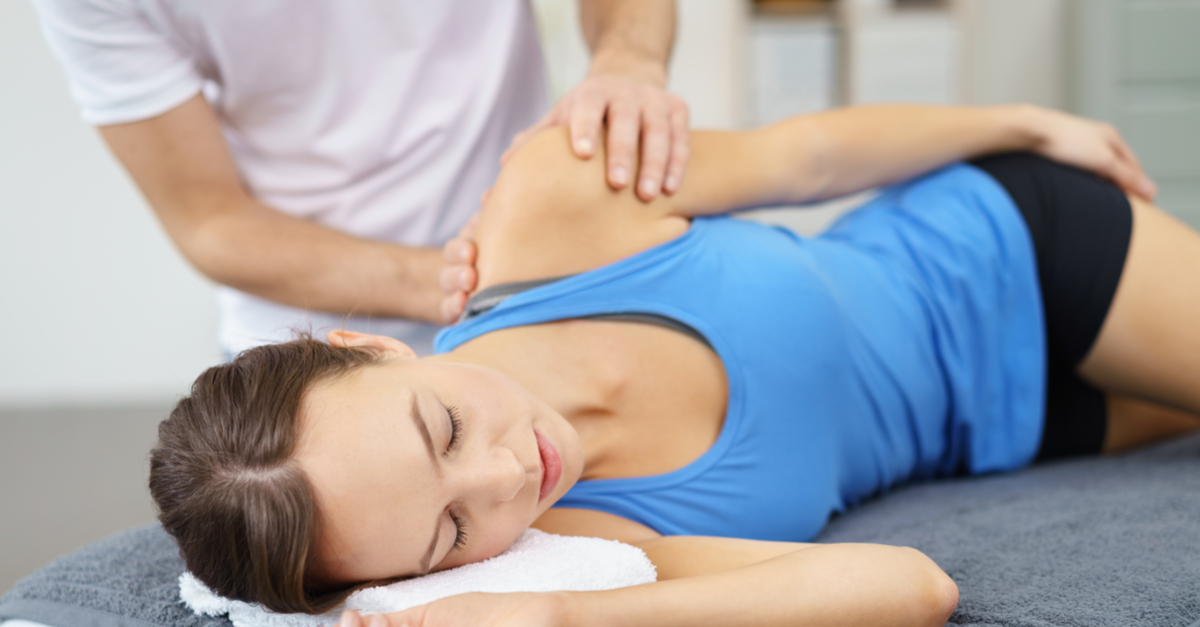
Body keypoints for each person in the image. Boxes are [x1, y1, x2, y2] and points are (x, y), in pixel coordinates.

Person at [149, 102, 1200, 627]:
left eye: (448, 430)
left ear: (367, 344)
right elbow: (910, 589)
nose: (510, 478)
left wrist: (1021, 122)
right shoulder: (580, 542)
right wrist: (552, 617)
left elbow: (805, 160)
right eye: (449, 533)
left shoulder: (551, 209)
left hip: (1014, 255)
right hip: (1018, 433)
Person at [30, 0, 689, 356]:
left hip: (541, 285)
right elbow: (209, 220)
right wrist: (450, 279)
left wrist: (627, 63)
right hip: (315, 337)